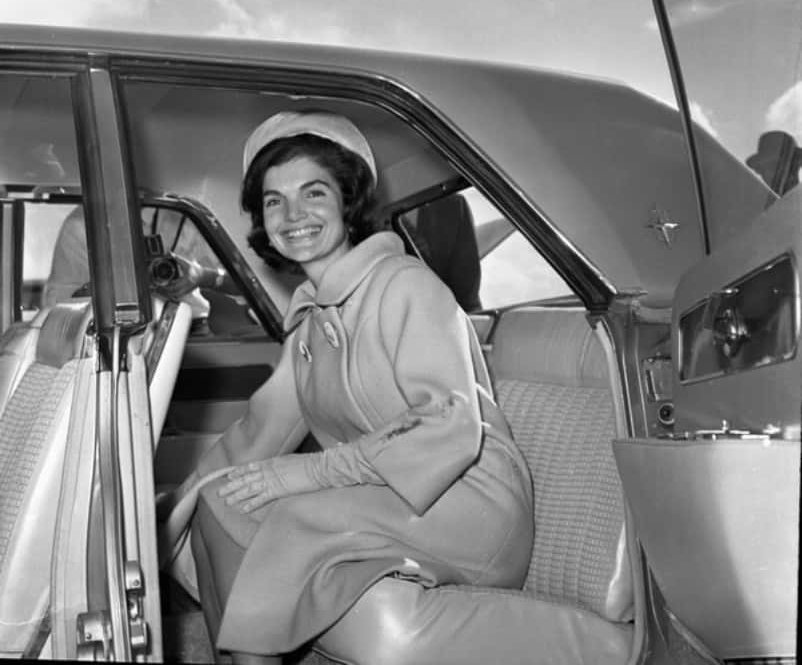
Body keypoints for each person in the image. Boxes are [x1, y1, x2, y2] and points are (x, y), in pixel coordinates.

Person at [161, 110, 534, 662]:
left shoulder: (406, 286)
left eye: (314, 193)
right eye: (273, 201)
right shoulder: (311, 317)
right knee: (219, 504)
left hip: (468, 504)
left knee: (291, 516)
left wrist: (307, 473)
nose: (293, 216)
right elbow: (258, 431)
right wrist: (168, 512)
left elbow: (445, 427)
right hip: (385, 496)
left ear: (348, 201)